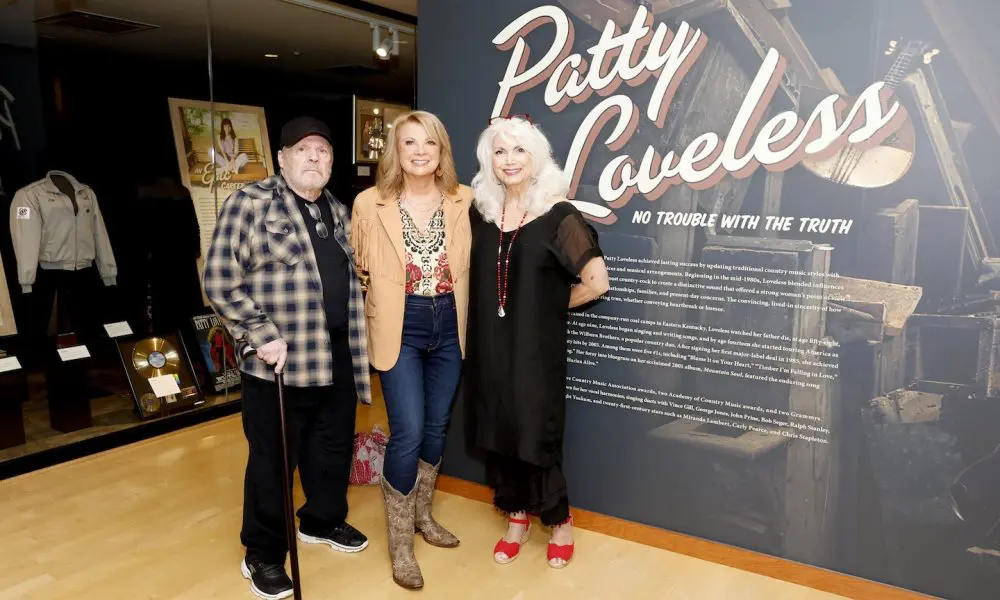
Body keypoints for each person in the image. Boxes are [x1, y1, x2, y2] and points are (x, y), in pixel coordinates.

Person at [203, 116, 372, 600]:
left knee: (332, 447)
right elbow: (219, 278)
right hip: (278, 357)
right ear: (282, 157)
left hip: (337, 351)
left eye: (323, 151)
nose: (315, 158)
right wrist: (258, 333)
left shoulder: (338, 210)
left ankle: (322, 520)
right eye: (303, 150)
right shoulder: (250, 203)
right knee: (274, 460)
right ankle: (262, 552)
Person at [466, 115, 609, 569]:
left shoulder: (558, 214)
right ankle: (516, 518)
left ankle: (559, 520)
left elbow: (596, 282)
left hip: (535, 350)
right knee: (498, 429)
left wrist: (545, 307)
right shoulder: (481, 211)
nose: (510, 161)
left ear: (537, 158)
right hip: (490, 345)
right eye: (500, 151)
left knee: (534, 433)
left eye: (519, 151)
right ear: (489, 160)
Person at [350, 110, 473, 590]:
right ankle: (400, 542)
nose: (420, 151)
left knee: (438, 428)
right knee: (409, 431)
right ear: (395, 152)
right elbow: (360, 269)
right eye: (409, 143)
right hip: (401, 323)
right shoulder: (369, 203)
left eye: (430, 143)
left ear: (442, 151)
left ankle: (422, 516)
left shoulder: (464, 200)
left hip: (450, 320)